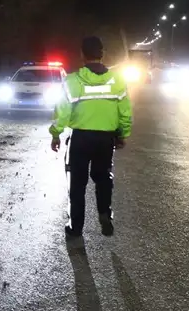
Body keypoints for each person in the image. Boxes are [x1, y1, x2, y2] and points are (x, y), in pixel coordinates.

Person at [49, 36, 133, 239]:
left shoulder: (72, 81)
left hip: (80, 139)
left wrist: (56, 134)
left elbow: (62, 111)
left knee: (77, 183)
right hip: (105, 139)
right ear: (102, 54)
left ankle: (76, 228)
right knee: (103, 177)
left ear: (82, 55)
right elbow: (125, 112)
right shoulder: (117, 81)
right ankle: (105, 213)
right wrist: (122, 133)